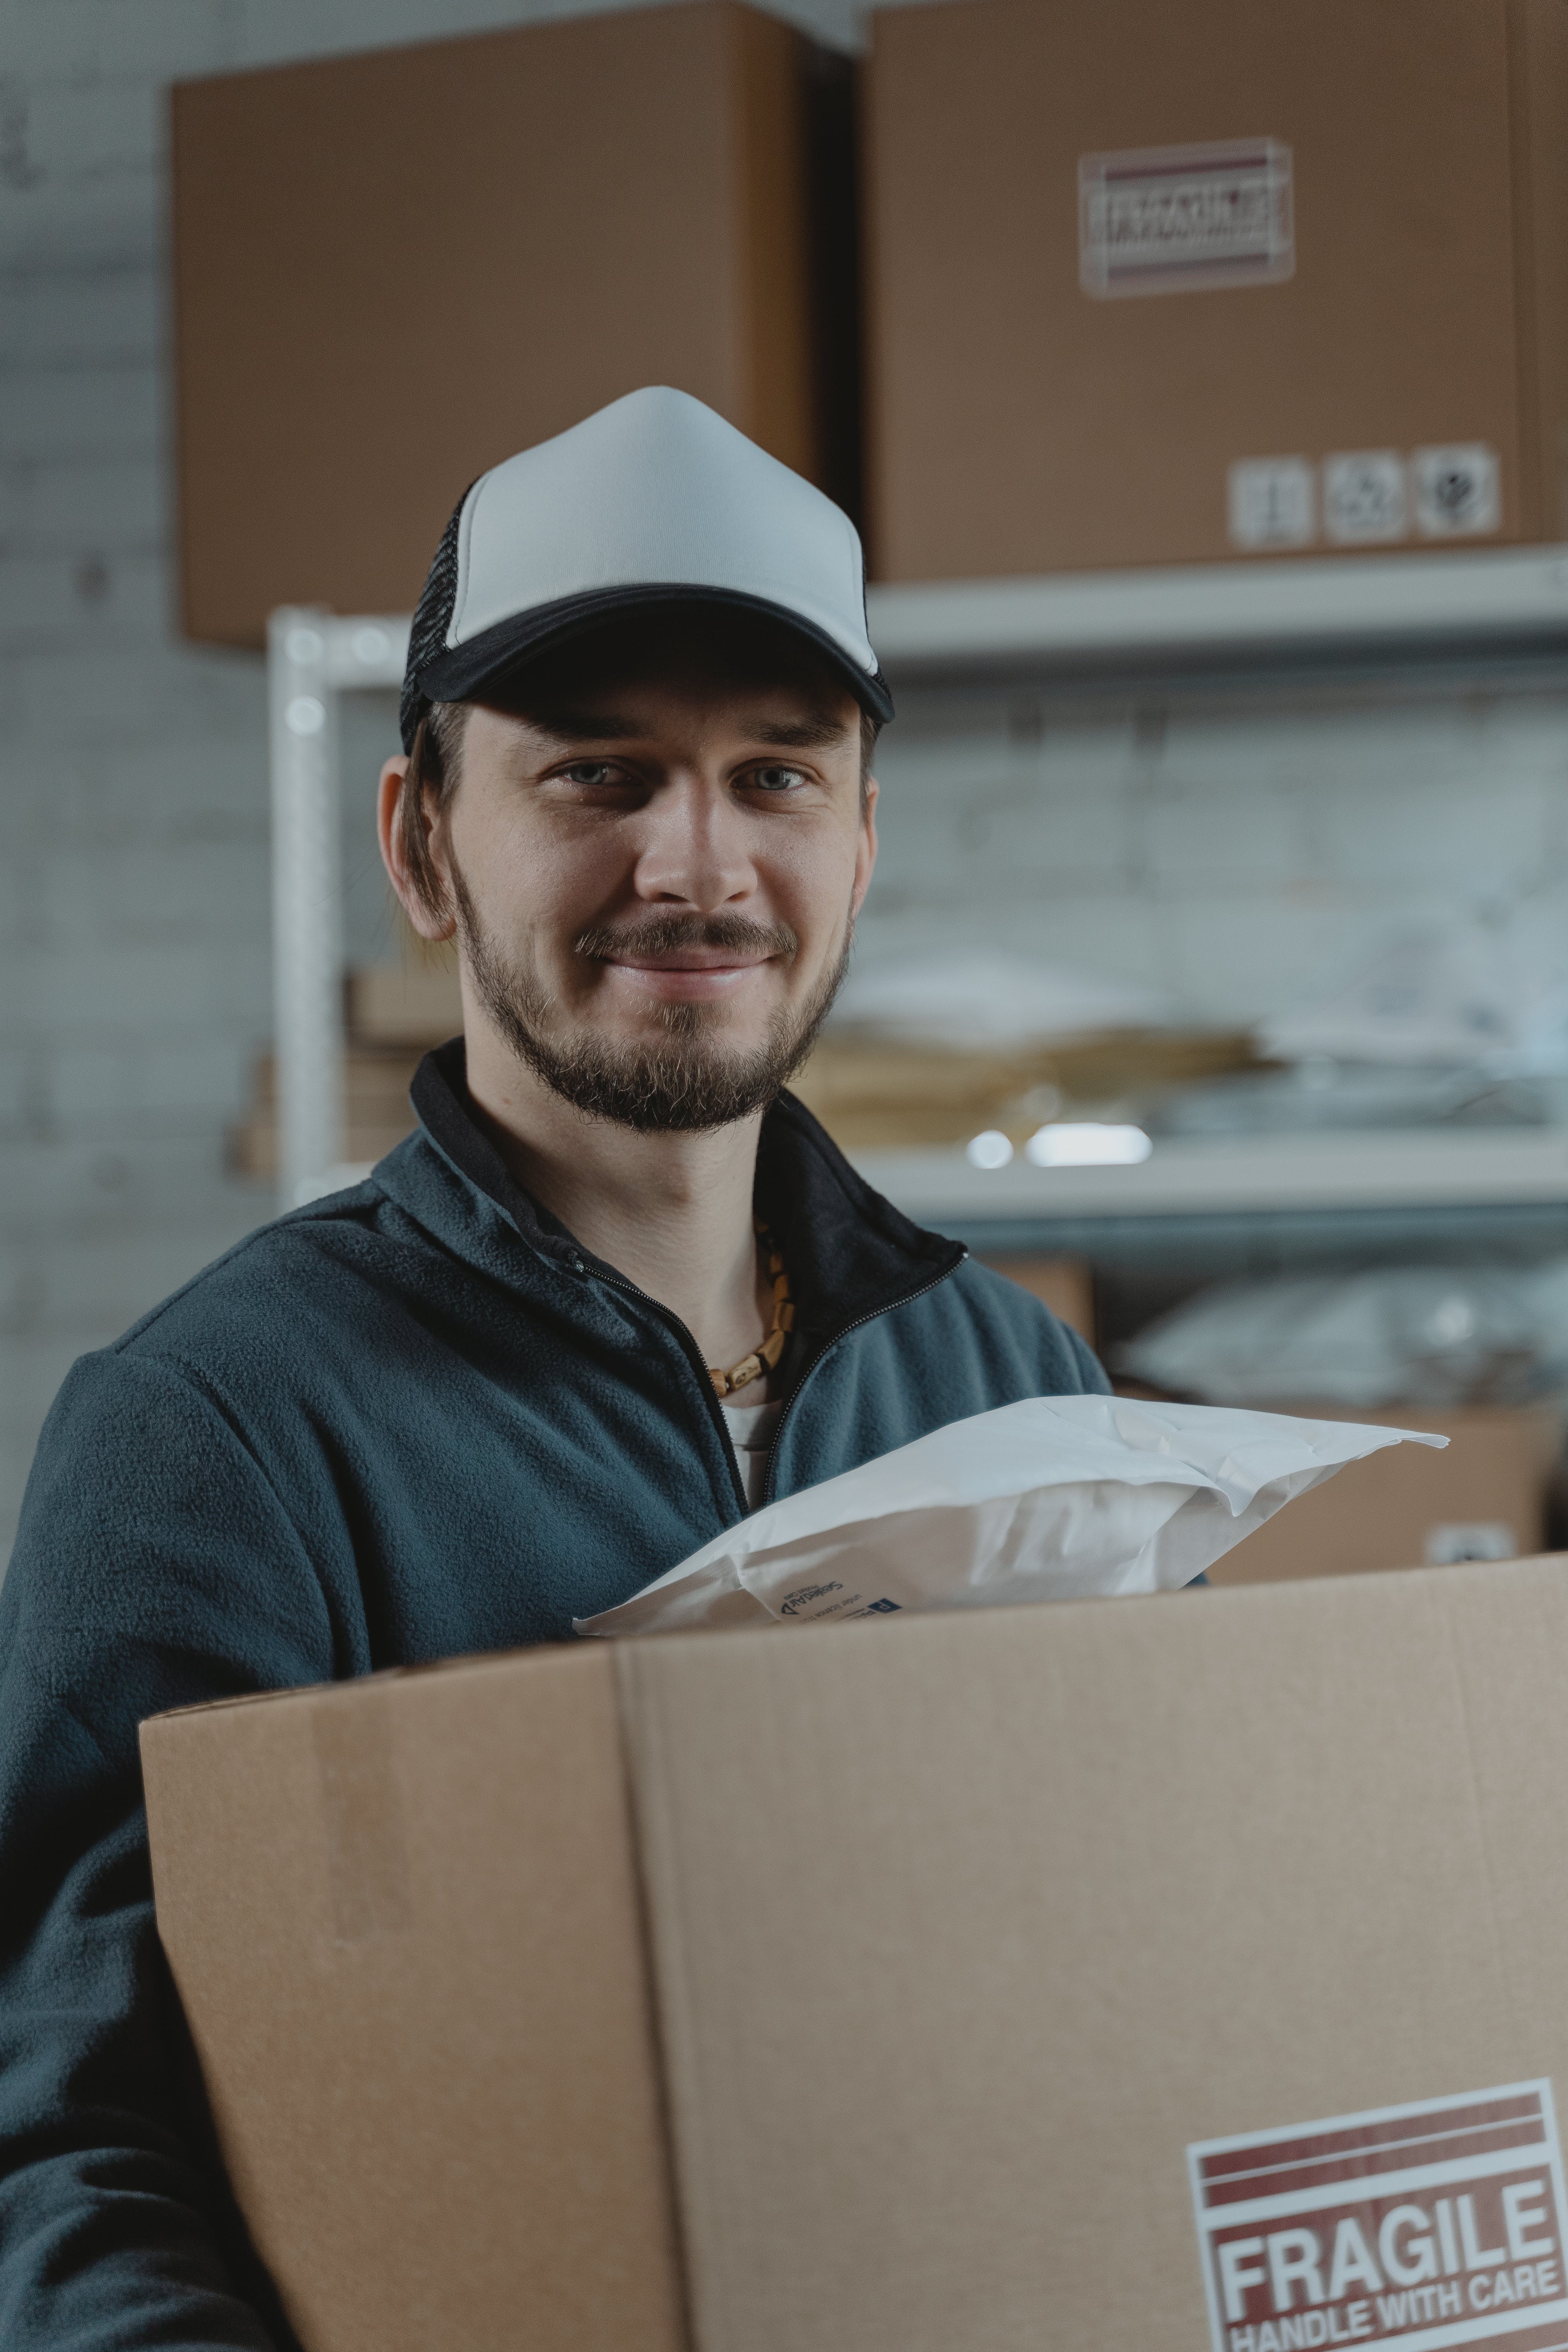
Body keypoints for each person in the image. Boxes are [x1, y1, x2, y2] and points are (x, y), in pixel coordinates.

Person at [0, 386, 1107, 2347]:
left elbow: (1148, 1968)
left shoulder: (1010, 1379)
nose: (698, 865)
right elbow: (70, 2146)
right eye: (598, 776)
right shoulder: (218, 1432)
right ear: (422, 844)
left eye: (777, 777)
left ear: (862, 840)